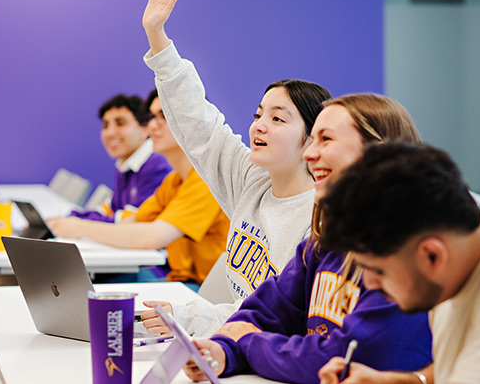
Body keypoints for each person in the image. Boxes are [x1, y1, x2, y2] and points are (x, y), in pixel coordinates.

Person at [180, 94, 433, 384]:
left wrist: (249, 344)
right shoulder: (325, 241)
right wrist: (224, 350)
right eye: (311, 140)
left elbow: (345, 358)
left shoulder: (408, 253)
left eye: (326, 140)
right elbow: (266, 311)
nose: (309, 154)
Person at [138, 0, 332, 335]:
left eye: (278, 119)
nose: (259, 125)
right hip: (230, 344)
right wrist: (157, 36)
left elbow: (278, 319)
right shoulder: (253, 181)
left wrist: (188, 318)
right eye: (259, 114)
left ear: (311, 139)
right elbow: (200, 125)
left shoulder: (319, 222)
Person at [317, 142, 480, 384]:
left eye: (377, 270)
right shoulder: (455, 270)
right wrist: (405, 381)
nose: (370, 283)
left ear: (432, 255)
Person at [49, 94, 230, 289]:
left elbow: (152, 236)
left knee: (91, 293)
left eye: (165, 115)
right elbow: (131, 221)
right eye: (151, 117)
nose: (152, 125)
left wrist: (80, 227)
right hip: (178, 278)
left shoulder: (206, 180)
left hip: (203, 289)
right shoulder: (174, 181)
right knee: (83, 288)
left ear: (194, 122)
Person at [66, 92, 171, 222]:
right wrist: (76, 217)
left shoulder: (157, 165)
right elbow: (112, 209)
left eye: (120, 123)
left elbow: (133, 222)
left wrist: (79, 222)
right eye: (105, 126)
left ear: (145, 129)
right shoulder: (125, 165)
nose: (110, 133)